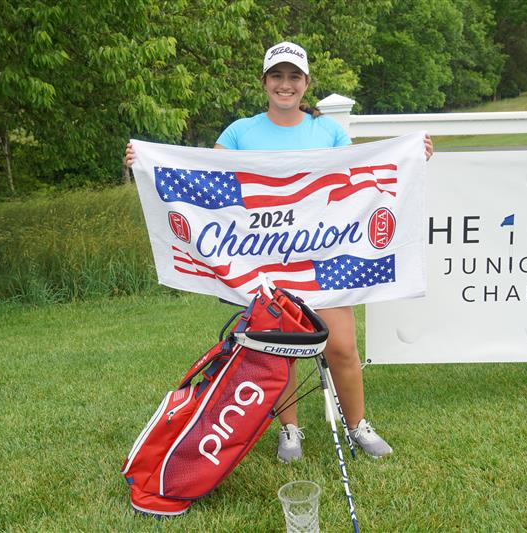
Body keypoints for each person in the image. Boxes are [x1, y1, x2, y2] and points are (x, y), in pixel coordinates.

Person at [127, 41, 433, 463]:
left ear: (306, 83)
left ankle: (357, 424)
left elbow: (361, 175)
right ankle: (290, 428)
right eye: (277, 76)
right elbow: (198, 176)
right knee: (277, 351)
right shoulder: (239, 132)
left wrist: (411, 158)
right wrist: (147, 162)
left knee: (341, 346)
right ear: (265, 82)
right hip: (264, 263)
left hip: (324, 258)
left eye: (294, 76)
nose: (285, 85)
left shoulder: (327, 132)